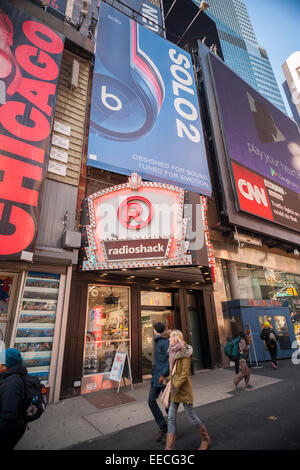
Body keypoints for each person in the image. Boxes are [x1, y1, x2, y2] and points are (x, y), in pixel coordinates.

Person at [165, 329, 211, 451]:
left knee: (191, 416)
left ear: (175, 338)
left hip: (183, 389)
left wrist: (176, 386)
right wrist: (168, 379)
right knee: (170, 418)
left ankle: (205, 438)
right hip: (174, 389)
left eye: (170, 337)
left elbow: (185, 374)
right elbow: (174, 371)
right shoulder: (171, 351)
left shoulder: (184, 352)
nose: (168, 339)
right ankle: (169, 447)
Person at [0, 348, 28, 450]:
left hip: (10, 431)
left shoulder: (13, 383)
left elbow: (8, 417)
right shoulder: (8, 376)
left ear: (5, 366)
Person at [148, 322, 170, 442]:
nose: (153, 331)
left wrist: (163, 374)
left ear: (156, 330)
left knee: (167, 404)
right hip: (156, 377)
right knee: (151, 400)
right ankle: (163, 426)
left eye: (153, 329)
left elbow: (168, 361)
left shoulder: (165, 341)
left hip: (163, 378)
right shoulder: (158, 341)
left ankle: (171, 430)